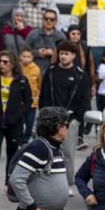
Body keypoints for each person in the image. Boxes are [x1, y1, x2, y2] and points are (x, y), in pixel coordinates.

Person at [10, 107, 72, 210]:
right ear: (57, 126)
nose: (68, 128)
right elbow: (17, 179)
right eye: (66, 124)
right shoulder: (41, 148)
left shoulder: (54, 147)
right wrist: (31, 206)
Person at [40, 42, 90, 182]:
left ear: (73, 56)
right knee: (47, 151)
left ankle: (66, 183)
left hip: (70, 120)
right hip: (50, 118)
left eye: (66, 54)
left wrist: (75, 119)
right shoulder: (50, 71)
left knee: (67, 153)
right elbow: (43, 94)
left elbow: (85, 100)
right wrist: (43, 113)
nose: (63, 56)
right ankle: (46, 180)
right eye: (61, 53)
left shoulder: (81, 75)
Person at [0, 50, 33, 198]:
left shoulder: (21, 80)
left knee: (13, 153)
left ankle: (9, 184)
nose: (2, 65)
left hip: (14, 123)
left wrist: (17, 116)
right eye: (0, 61)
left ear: (13, 64)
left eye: (5, 62)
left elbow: (28, 102)